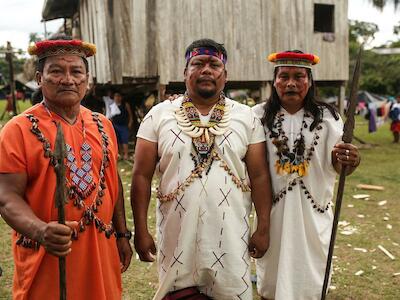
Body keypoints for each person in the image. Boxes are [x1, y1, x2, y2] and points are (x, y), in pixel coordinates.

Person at [131, 38, 272, 300]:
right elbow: (140, 175)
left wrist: (263, 227)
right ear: (185, 73)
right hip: (176, 231)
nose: (206, 69)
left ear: (225, 75)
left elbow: (260, 175)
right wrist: (141, 229)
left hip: (230, 231)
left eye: (214, 64)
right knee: (177, 291)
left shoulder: (246, 116)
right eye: (198, 63)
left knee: (230, 291)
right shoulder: (159, 114)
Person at [0, 36, 132, 300]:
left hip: (100, 250)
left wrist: (121, 233)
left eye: (76, 71)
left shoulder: (103, 125)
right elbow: (6, 197)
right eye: (56, 71)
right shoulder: (18, 129)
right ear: (39, 78)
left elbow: (112, 180)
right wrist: (41, 231)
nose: (68, 79)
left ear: (87, 80)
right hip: (48, 255)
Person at [252, 50, 361, 300]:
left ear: (309, 82)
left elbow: (340, 164)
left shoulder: (329, 118)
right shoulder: (256, 117)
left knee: (311, 284)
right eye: (284, 76)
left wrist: (352, 159)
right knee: (270, 283)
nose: (291, 83)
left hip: (313, 218)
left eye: (299, 76)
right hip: (272, 217)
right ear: (274, 81)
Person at [111, 92, 133, 160]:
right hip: (115, 125)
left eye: (118, 96)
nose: (117, 98)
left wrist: (130, 122)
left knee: (125, 140)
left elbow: (130, 114)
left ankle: (126, 154)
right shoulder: (112, 105)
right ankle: (121, 154)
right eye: (116, 96)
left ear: (121, 97)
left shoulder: (125, 105)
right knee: (118, 140)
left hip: (124, 125)